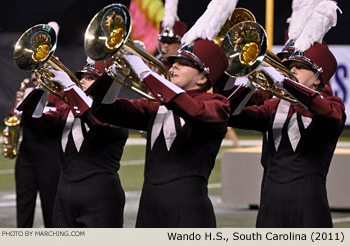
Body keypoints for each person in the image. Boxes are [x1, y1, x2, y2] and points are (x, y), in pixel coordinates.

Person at [53, 38, 230, 227]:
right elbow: (104, 110)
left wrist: (144, 70)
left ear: (202, 77)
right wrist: (116, 73)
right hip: (148, 208)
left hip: (188, 209)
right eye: (174, 62)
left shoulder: (217, 104)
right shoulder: (154, 106)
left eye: (184, 64)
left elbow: (193, 110)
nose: (174, 67)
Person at [228, 41, 346, 227]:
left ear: (317, 78)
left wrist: (286, 82)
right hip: (269, 201)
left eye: (300, 67)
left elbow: (327, 112)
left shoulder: (333, 104)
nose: (292, 70)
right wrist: (247, 86)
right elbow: (231, 115)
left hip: (309, 203)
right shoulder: (275, 106)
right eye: (290, 67)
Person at [17, 60, 128, 228]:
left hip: (100, 196)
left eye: (90, 78)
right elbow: (31, 120)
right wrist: (43, 87)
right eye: (81, 77)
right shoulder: (66, 111)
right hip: (64, 195)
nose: (82, 81)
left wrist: (69, 86)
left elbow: (95, 122)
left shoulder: (117, 111)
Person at [9, 74, 63, 228]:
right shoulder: (26, 91)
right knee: (23, 206)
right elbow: (14, 115)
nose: (36, 74)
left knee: (50, 206)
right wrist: (17, 111)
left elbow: (59, 116)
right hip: (26, 156)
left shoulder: (60, 93)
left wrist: (32, 109)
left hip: (50, 157)